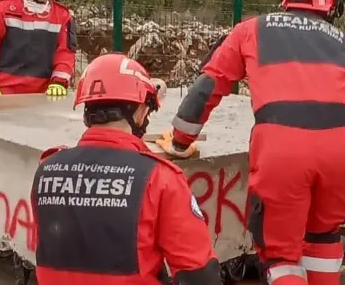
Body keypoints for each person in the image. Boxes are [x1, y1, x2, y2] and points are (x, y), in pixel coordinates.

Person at [159, 0, 345, 285]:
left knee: (281, 254)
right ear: (334, 5)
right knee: (324, 238)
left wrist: (180, 141)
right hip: (342, 152)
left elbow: (208, 87)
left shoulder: (251, 30)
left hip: (283, 150)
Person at [31, 53, 223, 285]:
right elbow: (199, 273)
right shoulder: (159, 179)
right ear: (141, 111)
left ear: (86, 111)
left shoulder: (47, 169)